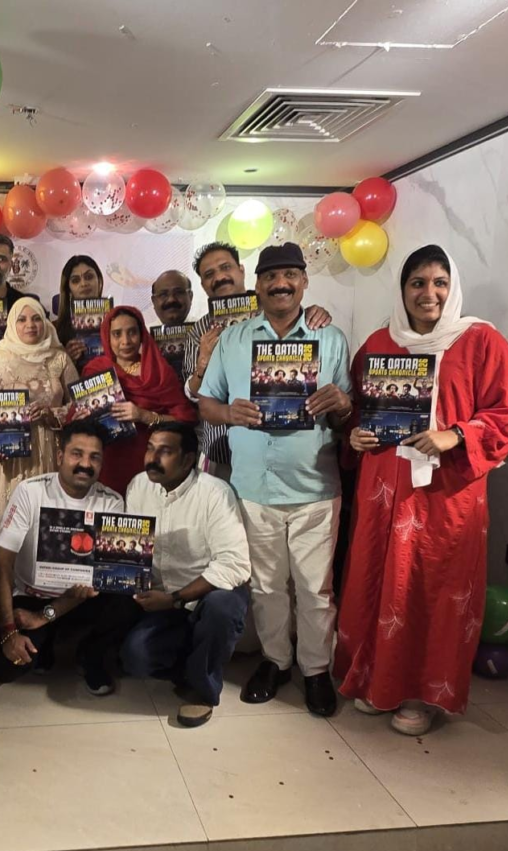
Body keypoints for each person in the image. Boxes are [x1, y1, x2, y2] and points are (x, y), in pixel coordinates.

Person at [335, 245, 508, 735]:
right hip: (385, 487)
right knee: (379, 580)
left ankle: (421, 693)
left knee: (432, 589)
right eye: (417, 283)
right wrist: (356, 435)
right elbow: (360, 411)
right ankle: (376, 679)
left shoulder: (481, 341)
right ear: (402, 290)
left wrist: (456, 434)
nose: (429, 293)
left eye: (440, 282)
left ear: (452, 287)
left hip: (447, 494)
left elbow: (507, 411)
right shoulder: (380, 342)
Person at [197, 243, 353, 717]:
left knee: (315, 589)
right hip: (253, 487)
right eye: (270, 277)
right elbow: (206, 402)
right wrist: (229, 413)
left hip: (315, 488)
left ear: (304, 281)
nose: (280, 284)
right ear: (257, 284)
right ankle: (276, 661)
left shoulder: (331, 339)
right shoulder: (234, 339)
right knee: (266, 587)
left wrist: (341, 404)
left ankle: (315, 669)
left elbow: (347, 413)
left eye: (289, 275)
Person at [0, 422, 141, 695]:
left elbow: (111, 575)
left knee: (127, 598)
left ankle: (90, 654)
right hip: (32, 596)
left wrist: (44, 617)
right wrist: (8, 629)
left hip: (80, 600)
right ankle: (46, 643)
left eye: (95, 457)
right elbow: (3, 562)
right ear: (60, 456)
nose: (85, 464)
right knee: (4, 668)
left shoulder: (112, 502)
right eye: (76, 454)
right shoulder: (30, 491)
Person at [120, 423, 252, 727]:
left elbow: (235, 564)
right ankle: (195, 661)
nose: (152, 458)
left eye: (164, 451)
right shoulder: (139, 486)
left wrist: (176, 598)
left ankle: (202, 689)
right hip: (163, 599)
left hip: (208, 595)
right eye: (150, 448)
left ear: (188, 459)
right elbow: (132, 549)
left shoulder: (214, 493)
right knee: (135, 657)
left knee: (222, 608)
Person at [183, 242, 333, 480]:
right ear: (202, 284)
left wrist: (313, 313)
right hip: (220, 450)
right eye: (209, 274)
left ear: (242, 271)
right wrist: (202, 366)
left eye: (225, 267)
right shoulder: (200, 330)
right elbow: (193, 395)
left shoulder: (280, 310)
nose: (219, 277)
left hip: (287, 452)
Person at [0, 297, 78, 592]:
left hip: (49, 454)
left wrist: (53, 414)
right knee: (9, 527)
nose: (30, 325)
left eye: (37, 318)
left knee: (45, 526)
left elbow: (79, 406)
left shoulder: (59, 359)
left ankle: (44, 599)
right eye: (22, 319)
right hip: (8, 461)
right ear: (11, 324)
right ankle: (1, 603)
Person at [80, 305, 197, 495]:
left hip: (152, 463)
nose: (125, 341)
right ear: (107, 337)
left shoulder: (159, 371)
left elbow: (185, 420)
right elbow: (76, 423)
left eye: (132, 332)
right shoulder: (95, 370)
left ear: (142, 334)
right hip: (108, 463)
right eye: (117, 334)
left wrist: (145, 416)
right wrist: (80, 417)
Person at [54, 254, 106, 367]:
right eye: (76, 280)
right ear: (68, 289)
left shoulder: (118, 319)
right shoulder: (56, 331)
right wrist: (66, 359)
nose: (84, 284)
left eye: (89, 277)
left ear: (99, 280)